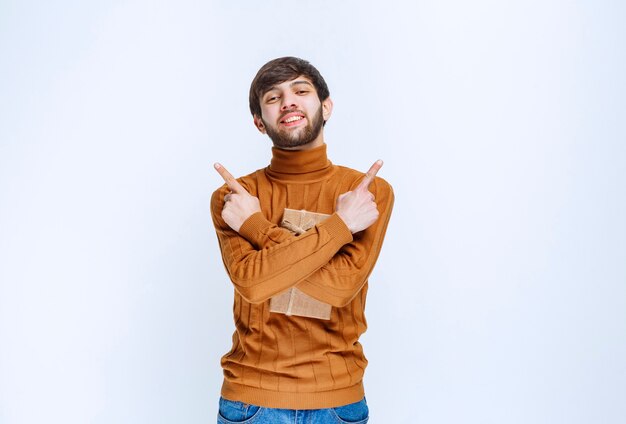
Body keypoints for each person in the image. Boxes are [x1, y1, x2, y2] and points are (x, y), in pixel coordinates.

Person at [210, 56, 394, 423]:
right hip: (251, 402)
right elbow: (252, 282)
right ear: (260, 123)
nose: (288, 101)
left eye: (301, 91)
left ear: (325, 107)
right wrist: (341, 226)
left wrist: (257, 228)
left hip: (338, 402)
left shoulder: (366, 194)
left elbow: (341, 288)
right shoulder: (235, 197)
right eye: (273, 97)